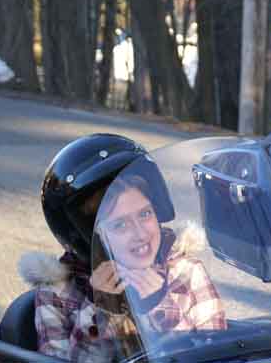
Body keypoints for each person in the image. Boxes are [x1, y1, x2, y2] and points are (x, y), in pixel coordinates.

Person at [19, 133, 226, 362]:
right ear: (84, 237)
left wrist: (158, 306)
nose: (140, 234)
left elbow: (218, 354)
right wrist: (102, 311)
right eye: (120, 224)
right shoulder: (57, 293)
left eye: (145, 214)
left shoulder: (186, 272)